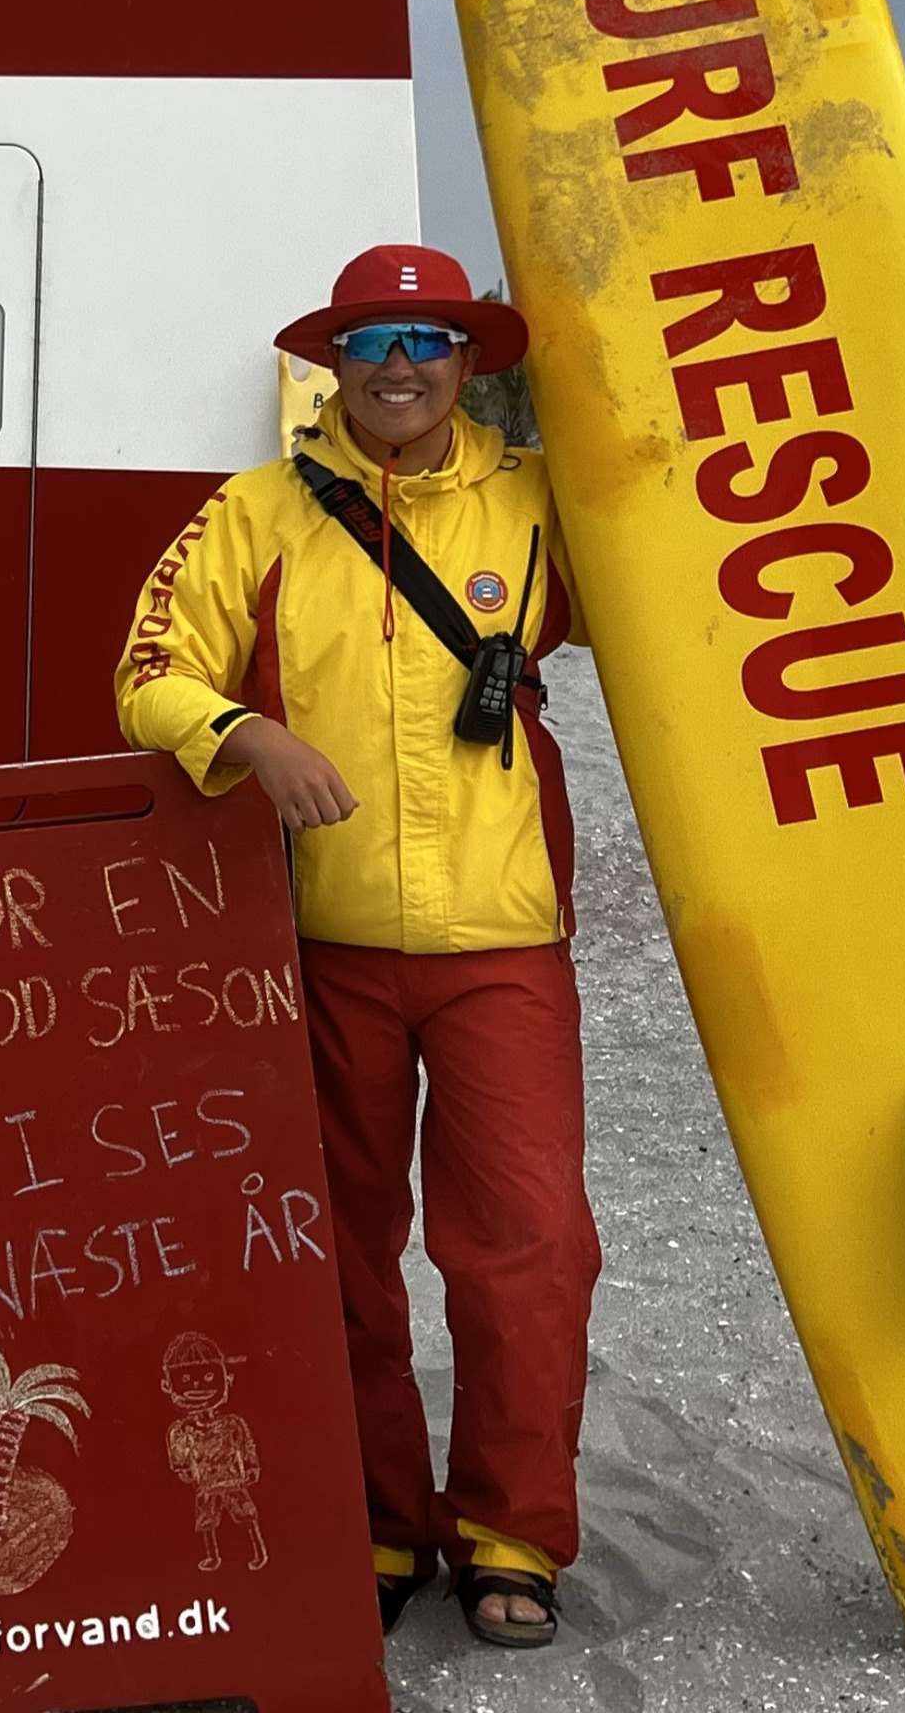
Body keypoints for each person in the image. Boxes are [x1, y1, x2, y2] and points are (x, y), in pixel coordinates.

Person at [114, 244, 599, 1650]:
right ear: (332, 361)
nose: (398, 368)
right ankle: (380, 1519)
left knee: (530, 1247)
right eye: (371, 340)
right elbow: (147, 675)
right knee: (337, 1250)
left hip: (507, 940)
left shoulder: (540, 497)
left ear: (470, 361)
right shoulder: (254, 511)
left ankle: (511, 1531)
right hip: (319, 943)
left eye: (427, 341)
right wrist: (244, 735)